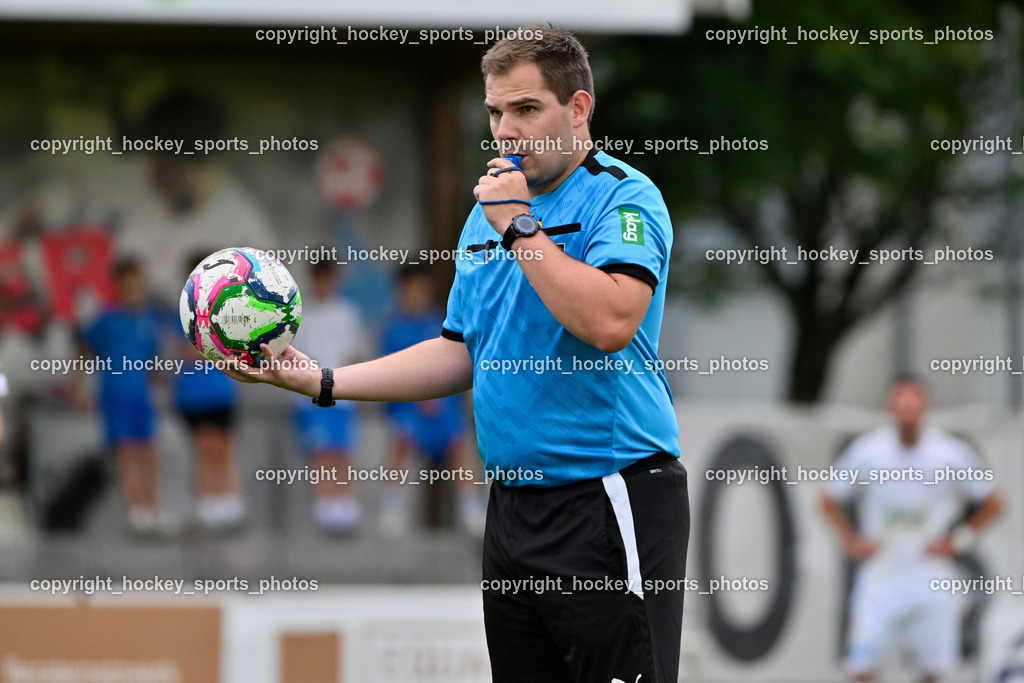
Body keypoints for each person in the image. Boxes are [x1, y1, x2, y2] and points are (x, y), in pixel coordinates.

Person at [224, 26, 689, 682]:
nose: (506, 130)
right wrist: (323, 381)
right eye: (496, 112)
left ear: (578, 108)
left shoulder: (622, 197)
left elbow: (610, 321)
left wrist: (520, 227)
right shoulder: (486, 216)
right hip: (513, 508)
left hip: (608, 495)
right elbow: (460, 350)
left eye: (526, 109)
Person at [821, 377, 1004, 683]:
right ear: (890, 406)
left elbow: (993, 501)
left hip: (929, 573)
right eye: (900, 399)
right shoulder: (868, 451)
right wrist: (850, 540)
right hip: (881, 573)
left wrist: (958, 541)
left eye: (913, 398)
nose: (907, 406)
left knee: (932, 670)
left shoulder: (949, 452)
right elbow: (828, 499)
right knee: (862, 667)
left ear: (925, 405)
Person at [379, 264, 480, 534]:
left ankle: (471, 508)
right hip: (409, 409)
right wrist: (414, 398)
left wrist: (440, 396)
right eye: (409, 288)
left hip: (443, 409)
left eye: (420, 288)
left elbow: (456, 364)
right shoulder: (393, 329)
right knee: (402, 438)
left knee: (459, 443)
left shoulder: (442, 323)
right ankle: (392, 508)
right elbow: (386, 373)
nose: (414, 294)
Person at [76, 258, 167, 535]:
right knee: (126, 453)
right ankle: (135, 511)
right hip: (115, 395)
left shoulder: (149, 320)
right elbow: (83, 351)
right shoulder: (106, 320)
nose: (134, 292)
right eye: (128, 286)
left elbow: (153, 360)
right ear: (117, 287)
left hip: (141, 397)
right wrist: (77, 388)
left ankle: (152, 508)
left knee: (149, 452)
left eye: (138, 286)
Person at [290, 260, 366, 533]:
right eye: (318, 279)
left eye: (327, 279)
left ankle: (346, 504)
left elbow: (354, 354)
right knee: (320, 451)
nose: (323, 285)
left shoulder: (348, 313)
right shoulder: (299, 316)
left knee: (342, 451)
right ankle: (324, 505)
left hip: (342, 396)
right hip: (310, 398)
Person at [174, 252, 245, 532]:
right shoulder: (181, 311)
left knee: (223, 448)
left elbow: (233, 347)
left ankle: (229, 501)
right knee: (204, 447)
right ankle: (208, 502)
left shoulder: (228, 307)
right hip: (192, 394)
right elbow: (185, 349)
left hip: (220, 391)